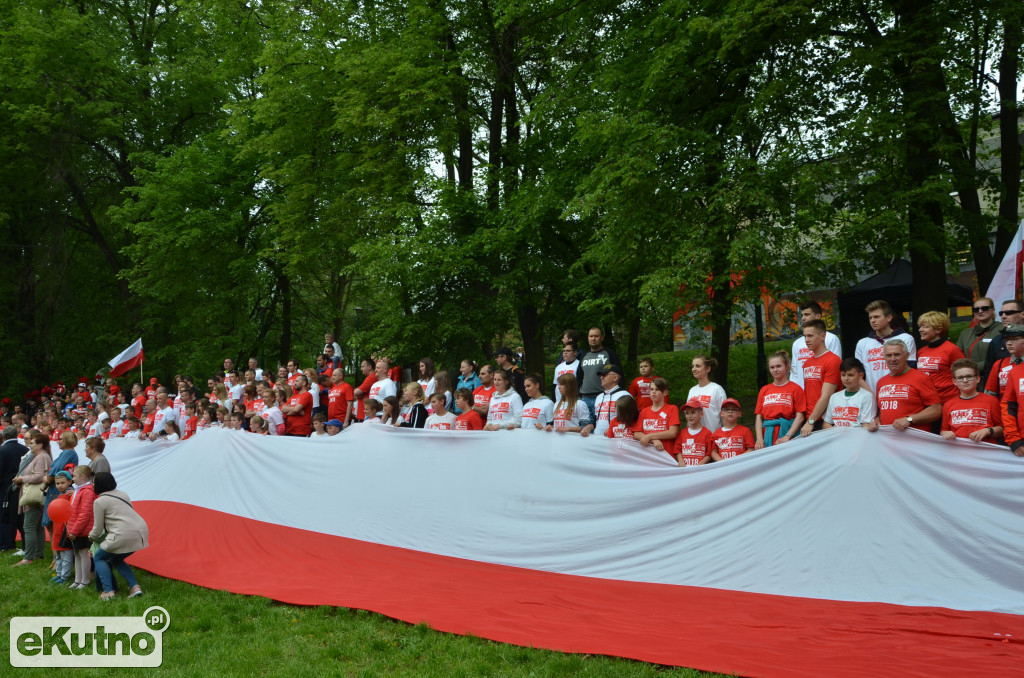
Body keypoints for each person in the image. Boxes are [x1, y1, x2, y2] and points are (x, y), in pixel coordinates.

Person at [89, 472, 149, 600]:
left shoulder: (99, 501)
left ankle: (108, 591)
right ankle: (134, 587)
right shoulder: (123, 494)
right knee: (116, 559)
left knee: (99, 557)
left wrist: (90, 537)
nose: (92, 484)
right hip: (140, 531)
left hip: (122, 534)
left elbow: (98, 528)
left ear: (99, 484)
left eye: (93, 482)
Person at [876, 340, 942, 432]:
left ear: (907, 356)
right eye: (888, 355)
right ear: (884, 357)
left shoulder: (921, 378)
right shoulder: (881, 382)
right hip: (888, 439)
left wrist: (910, 419)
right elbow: (881, 411)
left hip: (915, 440)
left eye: (897, 354)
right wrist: (876, 420)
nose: (893, 359)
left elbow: (936, 410)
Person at [855, 300, 917, 393]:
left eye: (876, 317)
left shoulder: (906, 338)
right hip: (870, 395)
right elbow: (858, 375)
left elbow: (910, 370)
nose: (873, 320)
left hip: (898, 393)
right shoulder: (862, 343)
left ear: (889, 317)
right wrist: (871, 396)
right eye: (870, 318)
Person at [11, 431, 52, 565]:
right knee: (37, 527)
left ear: (40, 445)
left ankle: (28, 557)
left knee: (28, 527)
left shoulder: (41, 457)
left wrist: (22, 478)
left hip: (33, 497)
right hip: (37, 496)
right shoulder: (42, 456)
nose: (30, 444)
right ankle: (37, 555)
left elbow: (38, 477)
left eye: (32, 442)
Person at [940, 359, 1002, 444]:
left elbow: (1002, 429)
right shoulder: (948, 405)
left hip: (985, 451)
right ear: (954, 381)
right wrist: (946, 433)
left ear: (977, 379)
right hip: (958, 452)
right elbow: (944, 430)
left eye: (969, 376)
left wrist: (987, 431)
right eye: (960, 377)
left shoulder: (991, 401)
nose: (965, 380)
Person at [798, 320, 842, 437]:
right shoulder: (807, 363)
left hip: (826, 419)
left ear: (822, 336)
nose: (806, 340)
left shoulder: (833, 360)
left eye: (810, 336)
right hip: (809, 418)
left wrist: (811, 421)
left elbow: (826, 396)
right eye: (805, 336)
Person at [755, 351, 806, 447]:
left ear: (787, 366)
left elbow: (800, 417)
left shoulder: (795, 389)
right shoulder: (764, 390)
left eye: (778, 366)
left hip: (788, 432)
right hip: (767, 434)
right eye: (772, 367)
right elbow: (759, 417)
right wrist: (759, 438)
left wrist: (787, 436)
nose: (775, 370)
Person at [790, 301, 842, 388]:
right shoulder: (796, 344)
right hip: (801, 392)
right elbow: (794, 371)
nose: (803, 318)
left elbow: (836, 368)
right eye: (802, 315)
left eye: (807, 314)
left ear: (818, 316)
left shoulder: (831, 338)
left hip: (823, 389)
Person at [916, 311, 966, 402]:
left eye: (925, 326)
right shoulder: (921, 351)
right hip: (927, 400)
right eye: (920, 326)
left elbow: (964, 375)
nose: (920, 330)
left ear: (938, 329)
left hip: (947, 400)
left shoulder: (952, 350)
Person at [823, 358, 879, 430]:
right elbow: (826, 423)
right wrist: (838, 432)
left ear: (861, 376)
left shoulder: (867, 396)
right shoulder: (834, 397)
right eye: (843, 375)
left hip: (857, 439)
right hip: (837, 440)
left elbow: (866, 425)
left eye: (850, 375)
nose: (846, 378)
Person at [579, 327, 621, 423]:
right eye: (591, 336)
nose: (593, 339)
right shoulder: (584, 356)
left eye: (596, 336)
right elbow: (579, 377)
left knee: (603, 427)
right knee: (585, 429)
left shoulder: (609, 353)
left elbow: (619, 374)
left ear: (602, 337)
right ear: (588, 338)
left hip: (604, 397)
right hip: (585, 398)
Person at [66, 465, 97, 589]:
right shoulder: (80, 490)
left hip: (83, 530)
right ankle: (77, 579)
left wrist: (75, 530)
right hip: (75, 528)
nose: (73, 478)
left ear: (83, 476)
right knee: (77, 553)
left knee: (84, 553)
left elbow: (85, 513)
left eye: (74, 476)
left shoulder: (87, 491)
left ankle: (85, 580)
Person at [583, 364, 633, 437]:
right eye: (601, 375)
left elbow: (630, 420)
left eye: (604, 375)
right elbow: (597, 420)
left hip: (615, 439)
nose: (601, 377)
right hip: (597, 439)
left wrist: (612, 428)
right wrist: (590, 426)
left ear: (615, 377)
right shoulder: (599, 397)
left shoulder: (624, 395)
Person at [633, 378, 679, 453]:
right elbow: (636, 433)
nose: (653, 392)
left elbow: (673, 432)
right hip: (648, 456)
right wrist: (654, 440)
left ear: (665, 393)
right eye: (651, 389)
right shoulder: (644, 411)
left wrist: (649, 436)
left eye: (657, 389)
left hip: (665, 454)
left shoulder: (672, 409)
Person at [0, 426, 28, 551]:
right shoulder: (25, 449)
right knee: (18, 515)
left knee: (4, 513)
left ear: (4, 437)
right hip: (22, 485)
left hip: (5, 487)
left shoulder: (2, 450)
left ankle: (6, 543)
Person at [983, 299, 1024, 383]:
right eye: (1001, 313)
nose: (1003, 316)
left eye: (1008, 313)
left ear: (1022, 314)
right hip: (1004, 392)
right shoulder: (996, 341)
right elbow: (989, 372)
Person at [957, 297, 1003, 373]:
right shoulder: (965, 333)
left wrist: (974, 368)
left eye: (984, 308)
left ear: (993, 310)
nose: (980, 311)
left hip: (992, 375)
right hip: (970, 377)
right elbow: (958, 356)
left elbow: (1001, 355)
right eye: (976, 309)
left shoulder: (1002, 330)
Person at [688, 355, 727, 432]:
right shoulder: (692, 390)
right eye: (693, 366)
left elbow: (724, 417)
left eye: (698, 366)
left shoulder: (716, 389)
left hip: (713, 436)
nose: (694, 369)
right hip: (696, 438)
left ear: (707, 369)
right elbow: (688, 416)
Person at [985, 324, 1024, 399]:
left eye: (1015, 339)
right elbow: (990, 393)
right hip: (1004, 408)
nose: (1009, 343)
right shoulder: (1000, 364)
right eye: (1007, 340)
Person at [49, 469, 73, 585]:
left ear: (69, 482)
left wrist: (73, 492)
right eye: (57, 484)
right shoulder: (58, 496)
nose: (60, 486)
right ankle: (58, 574)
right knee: (58, 555)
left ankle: (64, 577)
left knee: (66, 556)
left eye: (62, 483)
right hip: (57, 529)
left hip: (65, 530)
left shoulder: (70, 495)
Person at [674, 398, 713, 466]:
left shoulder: (707, 433)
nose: (689, 416)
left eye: (693, 412)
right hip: (685, 470)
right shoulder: (682, 433)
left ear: (701, 414)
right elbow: (677, 450)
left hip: (700, 471)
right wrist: (680, 461)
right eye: (687, 413)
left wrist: (701, 463)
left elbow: (709, 453)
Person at [351, 358, 378, 423]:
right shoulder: (370, 377)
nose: (361, 369)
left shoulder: (371, 377)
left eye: (362, 366)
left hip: (365, 415)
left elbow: (356, 392)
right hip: (365, 413)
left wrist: (358, 393)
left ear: (369, 367)